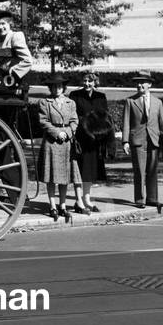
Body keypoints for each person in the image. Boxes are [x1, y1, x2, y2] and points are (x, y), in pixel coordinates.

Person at [122, 70, 163, 211]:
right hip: (137, 140)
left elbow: (162, 123)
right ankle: (140, 199)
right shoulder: (130, 101)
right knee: (139, 171)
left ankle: (152, 199)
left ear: (149, 84)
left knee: (152, 170)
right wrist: (125, 141)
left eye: (142, 82)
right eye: (137, 82)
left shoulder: (158, 102)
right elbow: (126, 123)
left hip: (154, 140)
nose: (139, 85)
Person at [36, 73, 79, 222]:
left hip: (66, 142)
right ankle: (52, 206)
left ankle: (62, 205)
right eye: (54, 86)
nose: (57, 89)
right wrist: (57, 133)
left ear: (64, 87)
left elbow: (74, 121)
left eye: (59, 86)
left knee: (64, 176)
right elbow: (43, 121)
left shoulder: (70, 103)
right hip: (51, 142)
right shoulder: (44, 102)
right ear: (50, 88)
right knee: (51, 176)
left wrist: (67, 132)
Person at [69, 71, 111, 214]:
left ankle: (87, 199)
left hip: (94, 139)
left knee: (90, 171)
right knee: (79, 170)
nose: (87, 84)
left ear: (95, 82)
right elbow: (72, 116)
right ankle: (78, 200)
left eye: (90, 81)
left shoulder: (101, 97)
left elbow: (105, 116)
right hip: (80, 138)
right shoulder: (75, 95)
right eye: (85, 81)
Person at [0, 10, 33, 79]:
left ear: (10, 24)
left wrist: (11, 71)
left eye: (3, 23)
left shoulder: (15, 36)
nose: (0, 27)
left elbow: (28, 61)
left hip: (8, 79)